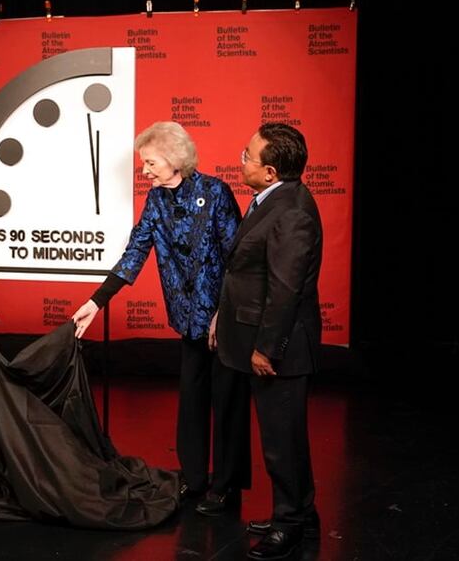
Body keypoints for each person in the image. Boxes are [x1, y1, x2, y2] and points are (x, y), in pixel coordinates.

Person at [71, 121, 247, 509]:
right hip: (187, 320)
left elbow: (238, 259)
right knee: (192, 400)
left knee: (228, 402)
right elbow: (136, 250)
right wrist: (97, 301)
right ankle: (196, 479)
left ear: (174, 159)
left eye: (150, 162)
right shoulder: (156, 200)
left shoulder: (215, 192)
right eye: (144, 163)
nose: (145, 170)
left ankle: (226, 484)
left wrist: (224, 312)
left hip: (223, 319)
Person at [210, 123, 323, 561]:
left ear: (271, 171)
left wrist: (265, 349)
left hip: (280, 348)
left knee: (282, 442)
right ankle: (300, 514)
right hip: (258, 338)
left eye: (247, 155)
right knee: (286, 438)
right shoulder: (273, 200)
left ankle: (290, 524)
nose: (241, 159)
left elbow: (285, 290)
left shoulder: (291, 212)